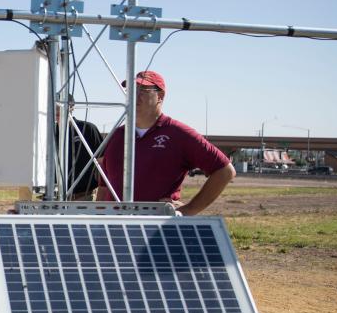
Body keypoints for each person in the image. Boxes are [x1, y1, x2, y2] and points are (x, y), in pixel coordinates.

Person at [96, 70, 236, 214]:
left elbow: (225, 171)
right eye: (131, 90)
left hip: (157, 229)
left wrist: (188, 210)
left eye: (143, 90)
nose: (135, 95)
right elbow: (104, 186)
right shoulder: (116, 136)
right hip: (114, 228)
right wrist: (97, 220)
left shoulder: (178, 133)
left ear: (160, 96)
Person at [56, 102, 102, 200]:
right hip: (54, 198)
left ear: (71, 107)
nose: (57, 109)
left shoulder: (87, 129)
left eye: (59, 106)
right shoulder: (50, 133)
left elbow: (103, 161)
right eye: (54, 106)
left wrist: (101, 193)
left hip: (84, 197)